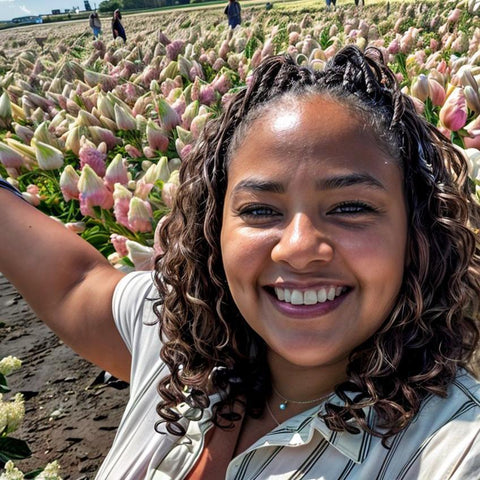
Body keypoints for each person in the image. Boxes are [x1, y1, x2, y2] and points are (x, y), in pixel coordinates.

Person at [1, 46, 480, 479]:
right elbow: (74, 281)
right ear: (215, 228)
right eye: (259, 210)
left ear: (417, 232)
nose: (297, 246)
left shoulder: (453, 450)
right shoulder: (172, 335)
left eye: (351, 207)